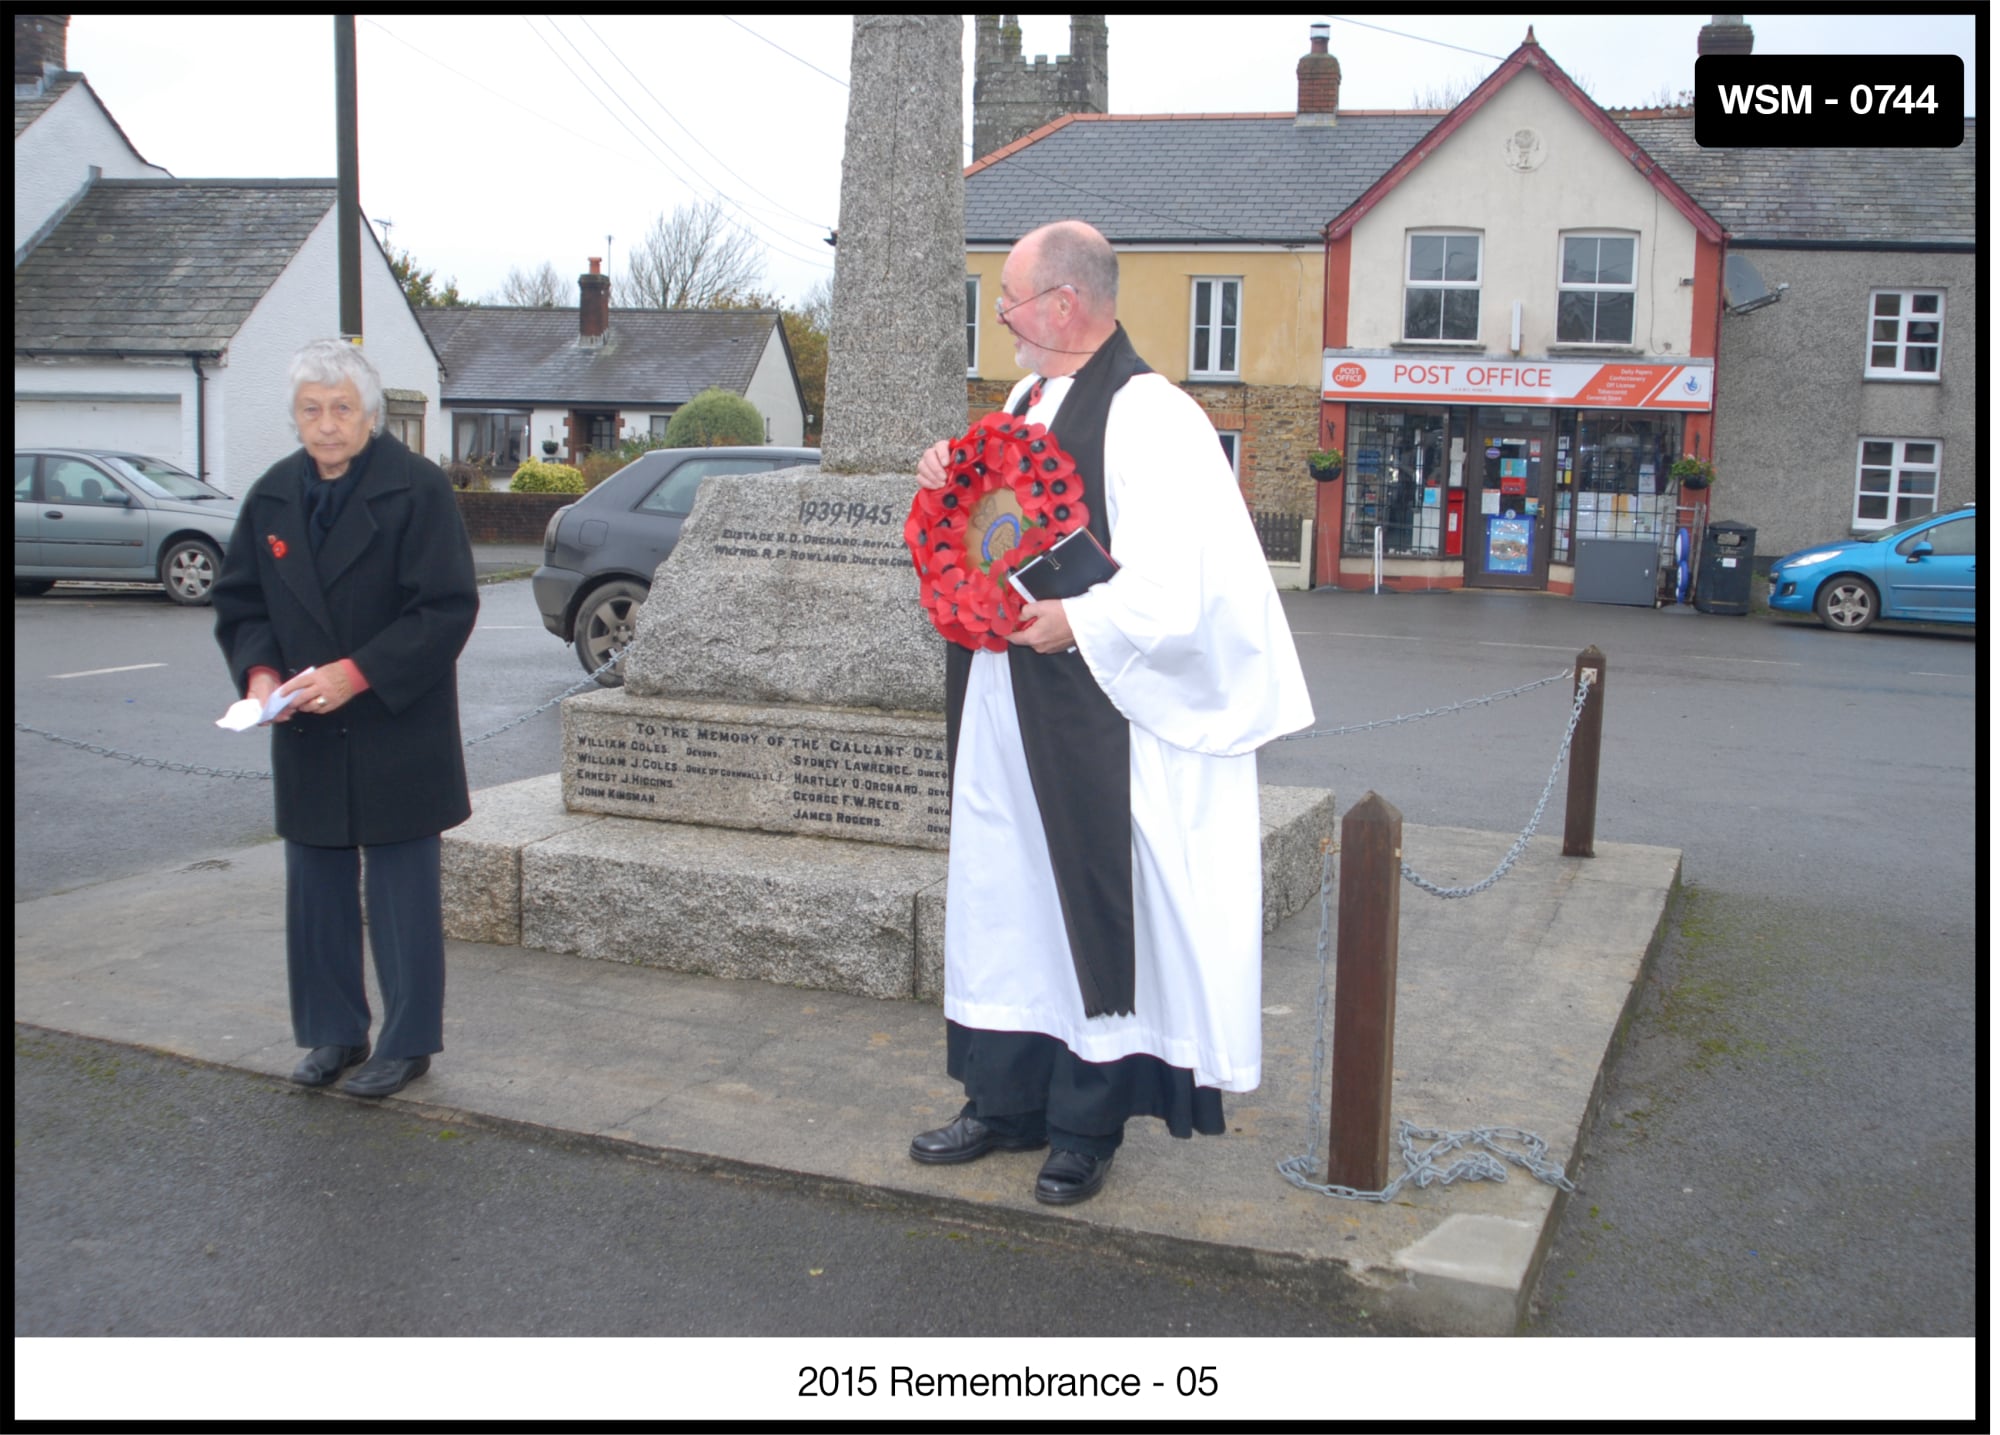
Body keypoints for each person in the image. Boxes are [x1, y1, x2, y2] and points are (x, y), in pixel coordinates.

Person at [909, 221, 1313, 1204]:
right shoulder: (1021, 398)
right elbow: (999, 522)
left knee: (1083, 904)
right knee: (1007, 897)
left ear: (1063, 304)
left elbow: (1187, 583)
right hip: (1004, 700)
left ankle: (1083, 1125)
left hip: (1093, 711)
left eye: (1006, 299)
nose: (997, 316)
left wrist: (1080, 618)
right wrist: (946, 482)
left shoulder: (1154, 415)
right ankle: (1001, 1099)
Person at [213, 339, 478, 1099]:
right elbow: (242, 603)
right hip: (306, 726)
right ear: (295, 416)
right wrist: (260, 676)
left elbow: (446, 608)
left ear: (368, 413)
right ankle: (332, 1032)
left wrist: (356, 673)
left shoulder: (418, 490)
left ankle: (407, 1042)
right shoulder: (271, 496)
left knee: (401, 891)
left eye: (341, 409)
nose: (326, 425)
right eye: (311, 409)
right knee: (317, 886)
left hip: (396, 721)